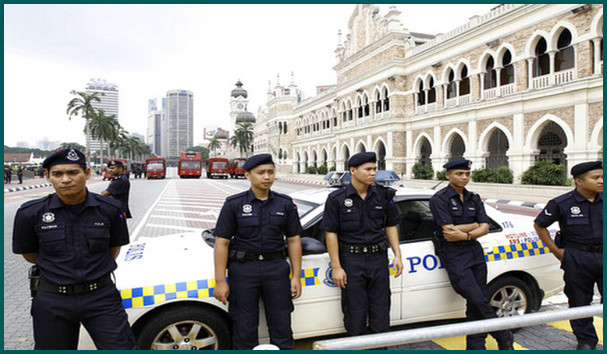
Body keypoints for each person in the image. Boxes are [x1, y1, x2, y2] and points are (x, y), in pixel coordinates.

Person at [12, 148, 137, 350]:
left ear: (86, 174)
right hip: (53, 299)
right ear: (48, 177)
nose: (66, 179)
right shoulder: (30, 213)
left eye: (73, 172)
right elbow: (30, 255)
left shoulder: (110, 210)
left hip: (101, 297)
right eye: (57, 174)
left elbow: (113, 249)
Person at [213, 153, 303, 350]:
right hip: (244, 271)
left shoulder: (285, 204)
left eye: (270, 172)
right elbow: (222, 243)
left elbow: (294, 240)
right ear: (247, 175)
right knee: (244, 328)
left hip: (276, 269)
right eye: (260, 172)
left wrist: (296, 276)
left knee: (282, 326)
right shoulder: (234, 204)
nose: (267, 177)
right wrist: (220, 281)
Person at [429, 159, 514, 350]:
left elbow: (485, 227)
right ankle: (502, 334)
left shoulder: (474, 198)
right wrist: (474, 226)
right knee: (476, 297)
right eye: (459, 174)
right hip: (453, 253)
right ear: (448, 175)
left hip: (474, 251)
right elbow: (449, 232)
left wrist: (467, 233)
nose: (464, 177)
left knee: (477, 301)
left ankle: (476, 346)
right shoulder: (439, 199)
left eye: (467, 174)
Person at [322, 151, 403, 336]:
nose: (373, 173)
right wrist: (336, 266)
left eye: (375, 168)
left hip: (378, 259)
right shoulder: (337, 199)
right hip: (351, 260)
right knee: (354, 314)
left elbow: (391, 226)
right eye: (368, 169)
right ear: (353, 171)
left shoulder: (384, 196)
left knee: (381, 313)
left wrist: (397, 255)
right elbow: (331, 233)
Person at [534, 161, 603, 350]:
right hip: (577, 257)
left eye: (602, 177)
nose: (601, 181)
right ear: (579, 181)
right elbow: (540, 225)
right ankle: (586, 341)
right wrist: (556, 251)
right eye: (595, 178)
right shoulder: (562, 203)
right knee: (579, 301)